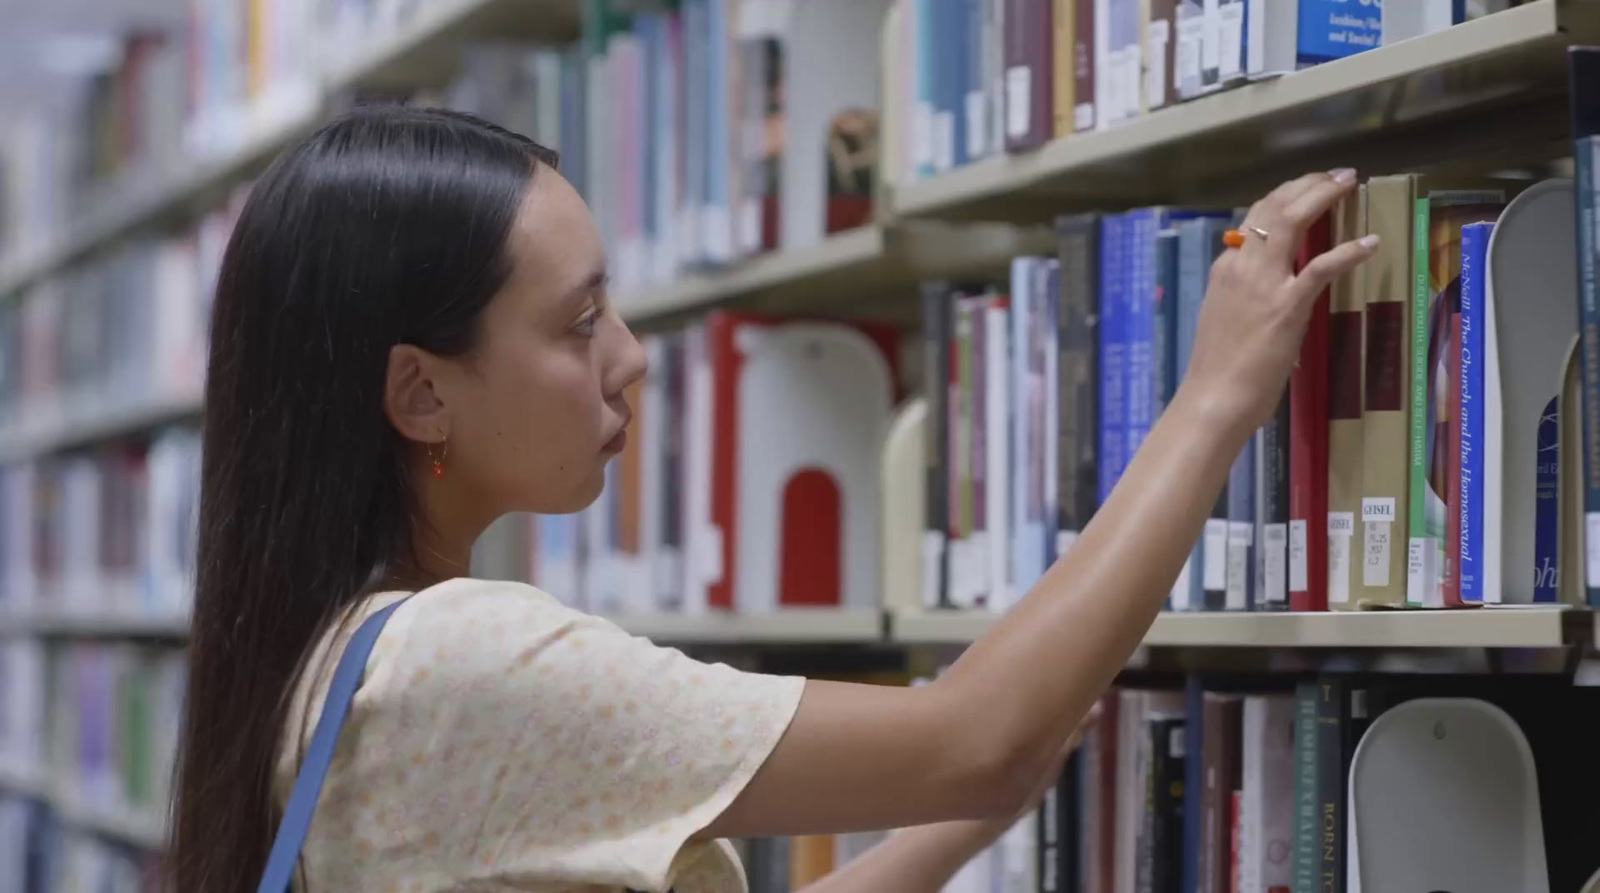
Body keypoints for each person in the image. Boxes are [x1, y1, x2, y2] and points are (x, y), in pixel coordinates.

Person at [166, 105, 1376, 893]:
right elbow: (977, 742)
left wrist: (1013, 749)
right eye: (579, 322)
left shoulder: (332, 654)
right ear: (420, 395)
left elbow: (990, 751)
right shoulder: (466, 656)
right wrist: (1216, 393)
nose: (631, 355)